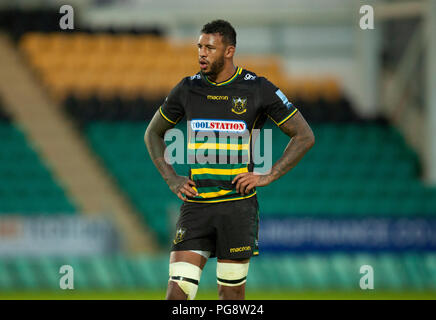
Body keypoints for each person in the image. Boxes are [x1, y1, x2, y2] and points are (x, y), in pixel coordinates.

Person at [144, 19, 315, 300]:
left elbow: (304, 135)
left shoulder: (258, 88)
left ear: (229, 51)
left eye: (209, 47)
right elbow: (153, 133)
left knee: (231, 297)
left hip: (237, 207)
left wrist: (268, 175)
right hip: (196, 207)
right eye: (199, 46)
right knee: (178, 292)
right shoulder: (187, 89)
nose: (201, 53)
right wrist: (171, 177)